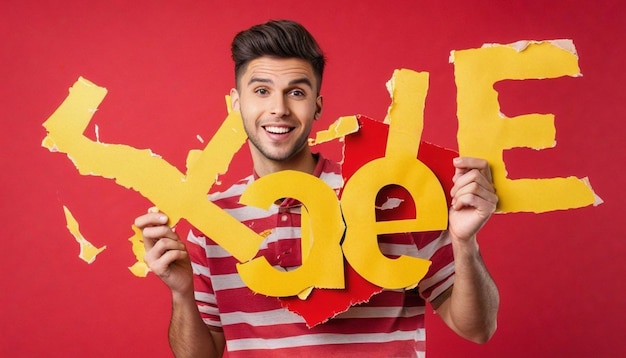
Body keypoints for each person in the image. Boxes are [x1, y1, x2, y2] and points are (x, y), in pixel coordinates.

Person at [134, 19, 499, 357]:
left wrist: (465, 243)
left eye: (296, 92)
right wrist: (182, 294)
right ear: (236, 104)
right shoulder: (212, 222)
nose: (278, 109)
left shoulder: (392, 198)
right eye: (261, 90)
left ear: (317, 106)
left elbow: (478, 329)